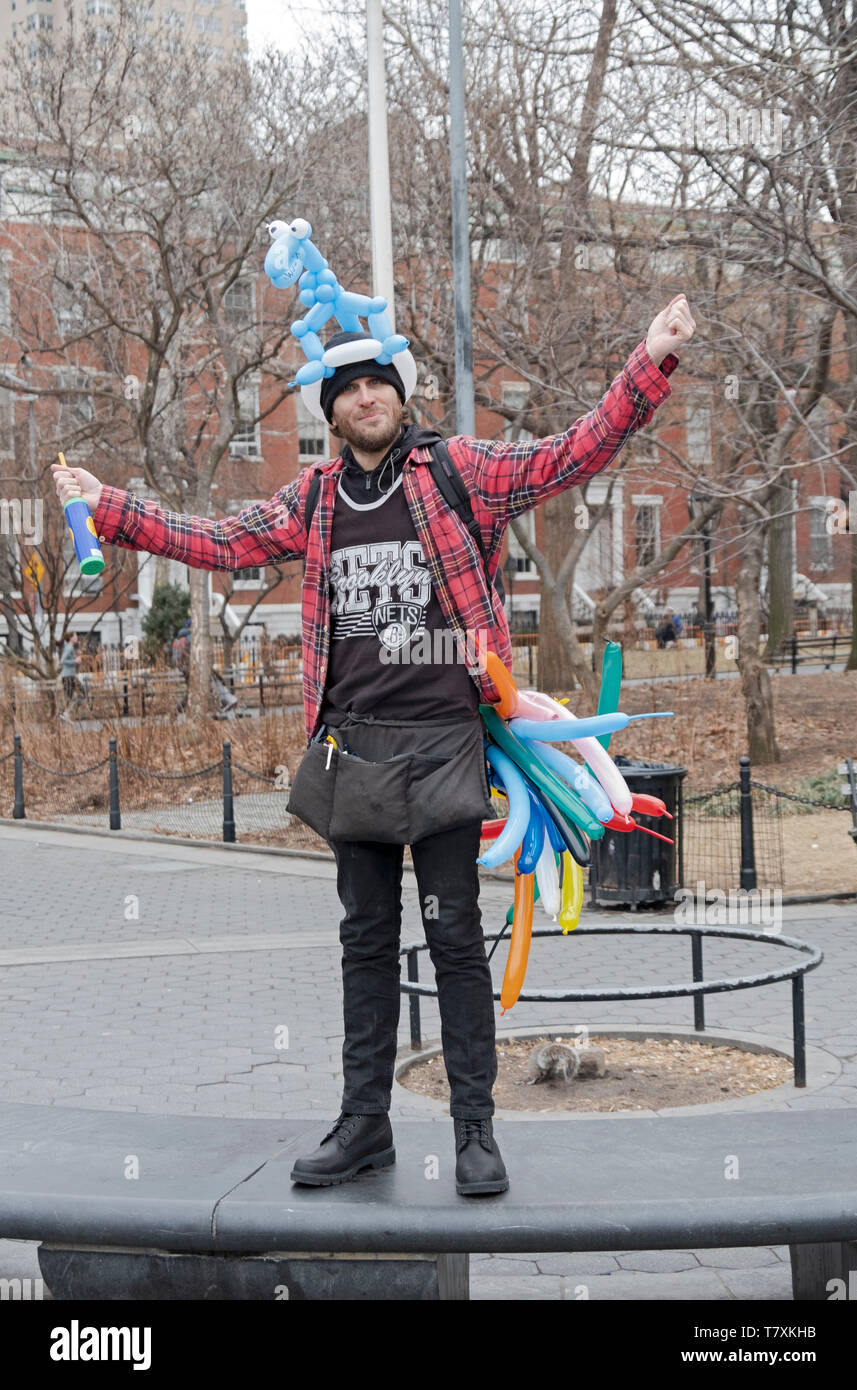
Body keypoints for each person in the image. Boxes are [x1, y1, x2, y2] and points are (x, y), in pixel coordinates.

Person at [52, 291, 695, 1196]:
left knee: (456, 937)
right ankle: (365, 1126)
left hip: (441, 746)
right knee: (362, 940)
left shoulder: (454, 471)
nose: (365, 397)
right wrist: (108, 506)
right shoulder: (313, 499)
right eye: (347, 388)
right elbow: (217, 541)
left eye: (378, 383)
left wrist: (651, 359)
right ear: (332, 411)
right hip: (352, 750)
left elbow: (571, 453)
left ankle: (475, 1129)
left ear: (401, 393)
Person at [59, 632, 84, 720]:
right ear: (71, 638)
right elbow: (62, 660)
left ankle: (65, 713)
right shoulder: (69, 648)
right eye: (75, 635)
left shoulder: (70, 648)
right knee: (80, 693)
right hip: (68, 676)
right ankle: (65, 713)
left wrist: (77, 655)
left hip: (70, 675)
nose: (77, 637)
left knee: (73, 695)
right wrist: (75, 661)